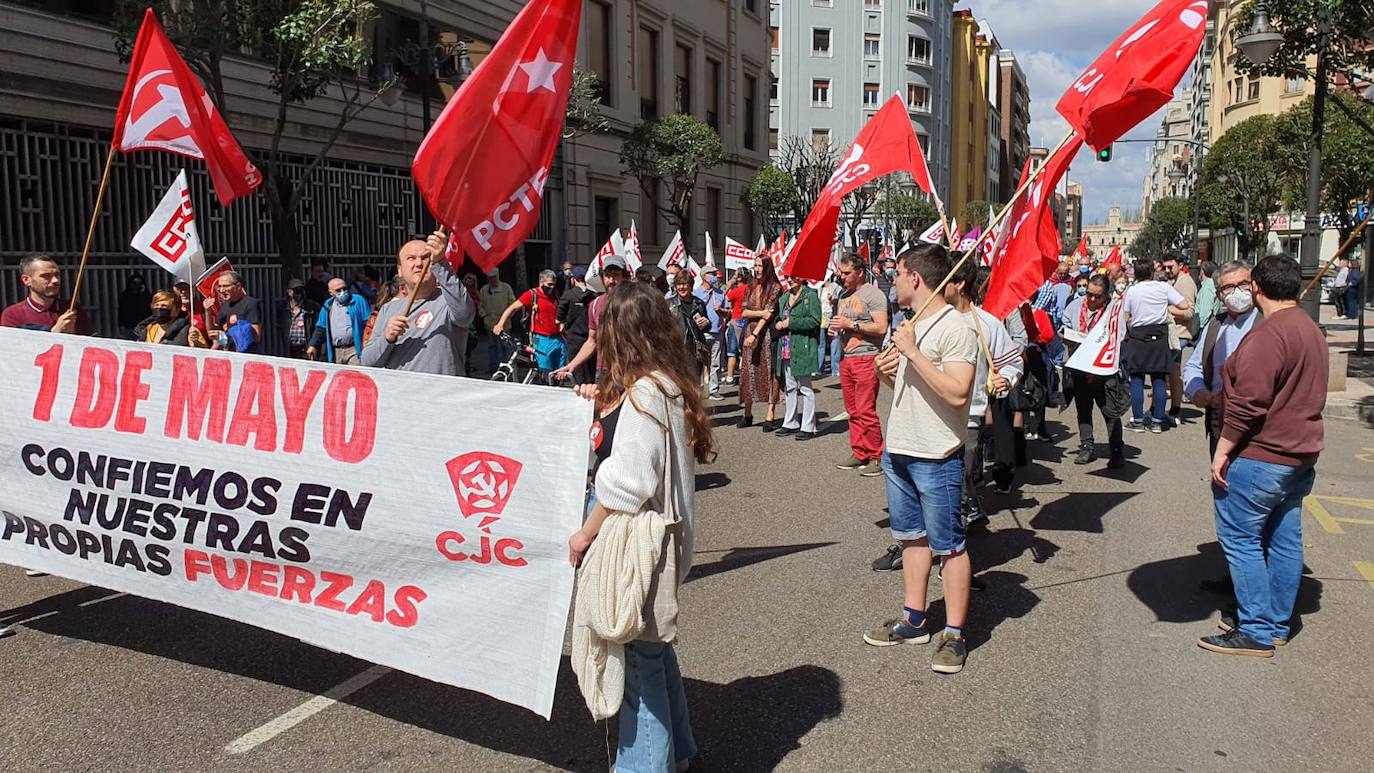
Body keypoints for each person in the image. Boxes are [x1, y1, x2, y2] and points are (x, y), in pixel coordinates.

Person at [568, 281, 715, 772]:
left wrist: (584, 533)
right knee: (655, 654)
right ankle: (682, 750)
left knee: (638, 669)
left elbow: (627, 483)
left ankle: (647, 765)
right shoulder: (667, 383)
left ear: (623, 334)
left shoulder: (645, 395)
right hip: (666, 542)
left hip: (641, 547)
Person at [1200, 255, 1326, 657]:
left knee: (1242, 539)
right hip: (1297, 455)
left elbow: (1248, 403)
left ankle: (1255, 627)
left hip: (1262, 455)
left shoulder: (1269, 335)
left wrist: (1222, 450)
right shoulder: (1308, 328)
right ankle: (1274, 623)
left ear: (1256, 287)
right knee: (1285, 539)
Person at [864, 244, 979, 675]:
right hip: (900, 450)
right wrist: (886, 373)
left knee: (949, 545)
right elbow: (914, 393)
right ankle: (914, 620)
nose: (891, 280)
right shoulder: (910, 324)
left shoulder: (956, 328)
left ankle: (954, 634)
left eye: (896, 273)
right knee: (911, 538)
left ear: (916, 278)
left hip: (936, 454)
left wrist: (912, 353)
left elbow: (956, 393)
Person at [1184, 261, 1259, 597]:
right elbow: (1194, 367)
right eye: (1227, 288)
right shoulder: (1216, 325)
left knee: (1252, 508)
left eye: (1241, 284)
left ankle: (1252, 588)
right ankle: (1236, 575)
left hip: (1256, 430)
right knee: (1228, 502)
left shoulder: (1267, 324)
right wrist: (1197, 390)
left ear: (1254, 285)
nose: (1236, 293)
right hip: (1218, 422)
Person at [361, 231, 476, 375]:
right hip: (402, 395)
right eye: (411, 258)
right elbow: (367, 361)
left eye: (425, 258)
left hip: (442, 395)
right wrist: (387, 338)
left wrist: (441, 263)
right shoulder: (388, 309)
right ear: (400, 270)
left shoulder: (449, 300)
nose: (419, 264)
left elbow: (465, 314)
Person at [830, 254, 889, 476]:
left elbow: (881, 328)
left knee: (866, 410)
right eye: (841, 273)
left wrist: (850, 323)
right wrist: (836, 328)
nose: (842, 277)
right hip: (847, 357)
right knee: (852, 410)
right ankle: (859, 452)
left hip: (866, 357)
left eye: (847, 273)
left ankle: (877, 456)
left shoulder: (873, 295)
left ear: (860, 272)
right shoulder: (845, 295)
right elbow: (843, 324)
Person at [1062, 275, 1126, 469]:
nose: (1091, 299)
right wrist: (1067, 336)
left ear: (1106, 295)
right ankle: (1086, 447)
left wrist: (1096, 342)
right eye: (1089, 294)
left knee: (1110, 411)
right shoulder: (1075, 306)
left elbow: (1120, 335)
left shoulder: (1114, 310)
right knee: (1083, 409)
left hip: (1102, 369)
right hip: (1079, 366)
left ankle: (1116, 451)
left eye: (1097, 296)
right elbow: (1064, 324)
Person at [1122, 259, 1191, 433]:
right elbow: (1184, 305)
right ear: (1152, 272)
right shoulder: (1163, 288)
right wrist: (1163, 307)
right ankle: (1157, 421)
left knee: (1136, 378)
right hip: (1159, 336)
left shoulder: (1132, 291)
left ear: (1136, 274)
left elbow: (1126, 316)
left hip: (1138, 335)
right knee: (1159, 378)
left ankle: (1138, 421)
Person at [553, 254, 630, 383]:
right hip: (604, 371)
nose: (611, 280)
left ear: (625, 277)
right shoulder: (595, 304)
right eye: (607, 275)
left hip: (631, 370)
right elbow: (592, 341)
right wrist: (571, 365)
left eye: (616, 275)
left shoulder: (636, 302)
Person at [774, 274, 822, 441]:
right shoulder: (785, 297)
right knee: (790, 386)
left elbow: (815, 320)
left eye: (794, 276)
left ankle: (809, 425)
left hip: (803, 345)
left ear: (802, 277)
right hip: (786, 344)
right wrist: (778, 322)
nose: (790, 280)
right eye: (788, 277)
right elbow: (779, 316)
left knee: (806, 388)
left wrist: (790, 323)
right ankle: (790, 421)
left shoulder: (810, 295)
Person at [737, 256, 782, 430]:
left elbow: (769, 315)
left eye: (760, 265)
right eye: (755, 265)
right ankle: (747, 414)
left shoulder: (776, 288)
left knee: (769, 372)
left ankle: (770, 415)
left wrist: (755, 335)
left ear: (767, 267)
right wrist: (760, 313)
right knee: (748, 372)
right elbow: (744, 312)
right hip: (749, 331)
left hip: (766, 335)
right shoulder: (750, 286)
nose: (757, 269)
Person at [495, 269, 567, 372]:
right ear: (541, 282)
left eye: (554, 285)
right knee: (544, 371)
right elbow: (513, 308)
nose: (552, 287)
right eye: (549, 284)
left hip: (557, 338)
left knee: (561, 371)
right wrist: (500, 324)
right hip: (540, 338)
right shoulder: (532, 294)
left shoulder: (555, 294)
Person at [1, 254, 92, 334]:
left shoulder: (72, 309)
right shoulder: (12, 315)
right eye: (46, 276)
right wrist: (54, 333)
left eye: (57, 275)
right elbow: (14, 349)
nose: (55, 280)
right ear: (26, 280)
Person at [1162, 254, 1198, 421]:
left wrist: (1166, 309)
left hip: (1180, 334)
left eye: (1171, 267)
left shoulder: (1186, 282)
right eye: (1165, 267)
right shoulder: (1172, 281)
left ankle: (1172, 409)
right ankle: (1171, 409)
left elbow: (1189, 312)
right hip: (1172, 333)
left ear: (1180, 265)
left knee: (1170, 372)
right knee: (1171, 372)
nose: (1167, 270)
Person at [307, 276, 372, 365]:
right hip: (336, 351)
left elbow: (369, 323)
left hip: (354, 349)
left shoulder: (358, 300)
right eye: (338, 290)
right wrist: (312, 345)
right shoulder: (328, 306)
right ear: (331, 293)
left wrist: (367, 343)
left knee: (355, 376)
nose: (343, 292)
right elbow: (321, 327)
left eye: (344, 288)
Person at [557, 266, 597, 385]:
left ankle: (578, 388)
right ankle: (592, 387)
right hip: (591, 336)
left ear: (573, 279)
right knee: (592, 366)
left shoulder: (568, 295)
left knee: (576, 366)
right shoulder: (593, 296)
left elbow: (558, 319)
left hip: (574, 337)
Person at [667, 270, 710, 377]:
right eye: (679, 284)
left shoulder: (699, 304)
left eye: (685, 284)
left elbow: (706, 328)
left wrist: (707, 323)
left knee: (695, 386)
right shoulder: (669, 304)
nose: (682, 287)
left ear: (690, 286)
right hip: (676, 352)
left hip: (696, 353)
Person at [209, 271, 263, 353]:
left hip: (247, 357)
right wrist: (207, 313)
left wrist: (226, 336)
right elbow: (218, 338)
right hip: (230, 357)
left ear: (238, 286)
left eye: (225, 286)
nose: (221, 290)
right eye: (219, 286)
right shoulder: (224, 307)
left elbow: (256, 337)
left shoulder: (250, 304)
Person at [133, 290, 208, 347]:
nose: (159, 309)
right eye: (156, 305)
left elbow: (202, 355)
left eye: (164, 306)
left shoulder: (189, 332)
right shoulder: (148, 330)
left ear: (176, 310)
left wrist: (196, 344)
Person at [478, 267, 517, 373]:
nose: (492, 280)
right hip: (490, 323)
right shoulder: (484, 290)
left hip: (504, 324)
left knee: (505, 346)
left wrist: (508, 317)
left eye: (494, 277)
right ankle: (493, 367)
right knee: (491, 346)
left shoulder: (506, 288)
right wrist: (484, 316)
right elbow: (480, 306)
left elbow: (513, 304)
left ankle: (505, 367)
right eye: (490, 278)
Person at [695, 272, 728, 400]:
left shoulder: (720, 293)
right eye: (711, 274)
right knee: (700, 362)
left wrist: (721, 310)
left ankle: (714, 390)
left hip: (717, 332)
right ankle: (699, 390)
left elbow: (728, 313)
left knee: (715, 362)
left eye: (715, 274)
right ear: (704, 276)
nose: (714, 277)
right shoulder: (696, 293)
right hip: (702, 333)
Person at [280, 278, 320, 359]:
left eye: (302, 290)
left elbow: (318, 328)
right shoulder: (283, 308)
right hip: (290, 350)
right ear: (289, 292)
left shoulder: (312, 307)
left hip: (306, 349)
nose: (300, 293)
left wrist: (314, 345)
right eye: (297, 290)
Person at [724, 269, 751, 386]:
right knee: (745, 351)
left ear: (739, 278)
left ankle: (730, 377)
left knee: (731, 352)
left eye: (735, 276)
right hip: (747, 321)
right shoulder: (751, 290)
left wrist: (728, 286)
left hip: (736, 322)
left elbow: (724, 299)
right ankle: (747, 377)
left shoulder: (736, 291)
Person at [817, 271, 842, 378]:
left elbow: (840, 301)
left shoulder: (835, 287)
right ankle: (819, 368)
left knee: (834, 343)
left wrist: (832, 299)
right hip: (821, 318)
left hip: (832, 317)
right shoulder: (818, 288)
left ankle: (835, 368)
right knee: (821, 343)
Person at [117, 272, 151, 339]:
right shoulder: (125, 296)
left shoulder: (146, 296)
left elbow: (147, 309)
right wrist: (120, 324)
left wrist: (142, 294)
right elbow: (121, 311)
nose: (136, 285)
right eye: (134, 283)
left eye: (139, 283)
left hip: (142, 327)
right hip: (128, 327)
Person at [1194, 261, 1220, 333]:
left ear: (1203, 271)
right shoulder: (1211, 285)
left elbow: (1205, 312)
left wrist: (1198, 328)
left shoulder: (1207, 288)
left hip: (1204, 327)